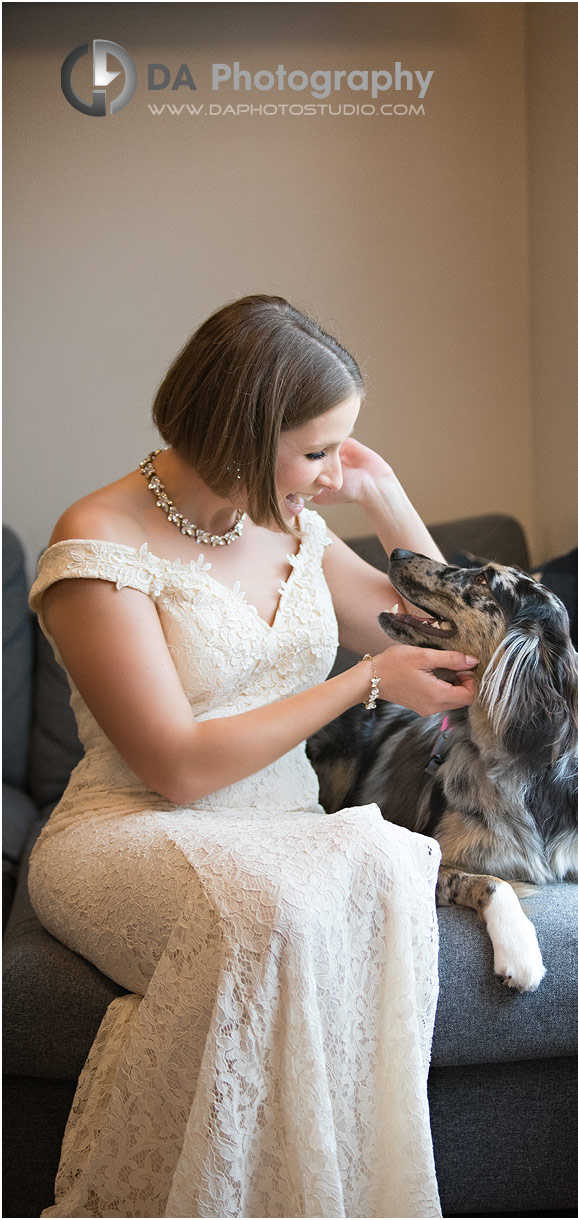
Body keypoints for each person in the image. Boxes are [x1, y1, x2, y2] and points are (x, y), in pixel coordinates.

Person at [27, 294, 480, 1219]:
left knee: (379, 859)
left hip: (281, 831)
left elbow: (454, 637)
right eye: (316, 451)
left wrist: (385, 496)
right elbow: (177, 767)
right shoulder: (97, 544)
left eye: (340, 451)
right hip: (133, 830)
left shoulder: (291, 528)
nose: (329, 475)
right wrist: (363, 682)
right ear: (240, 429)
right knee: (280, 912)